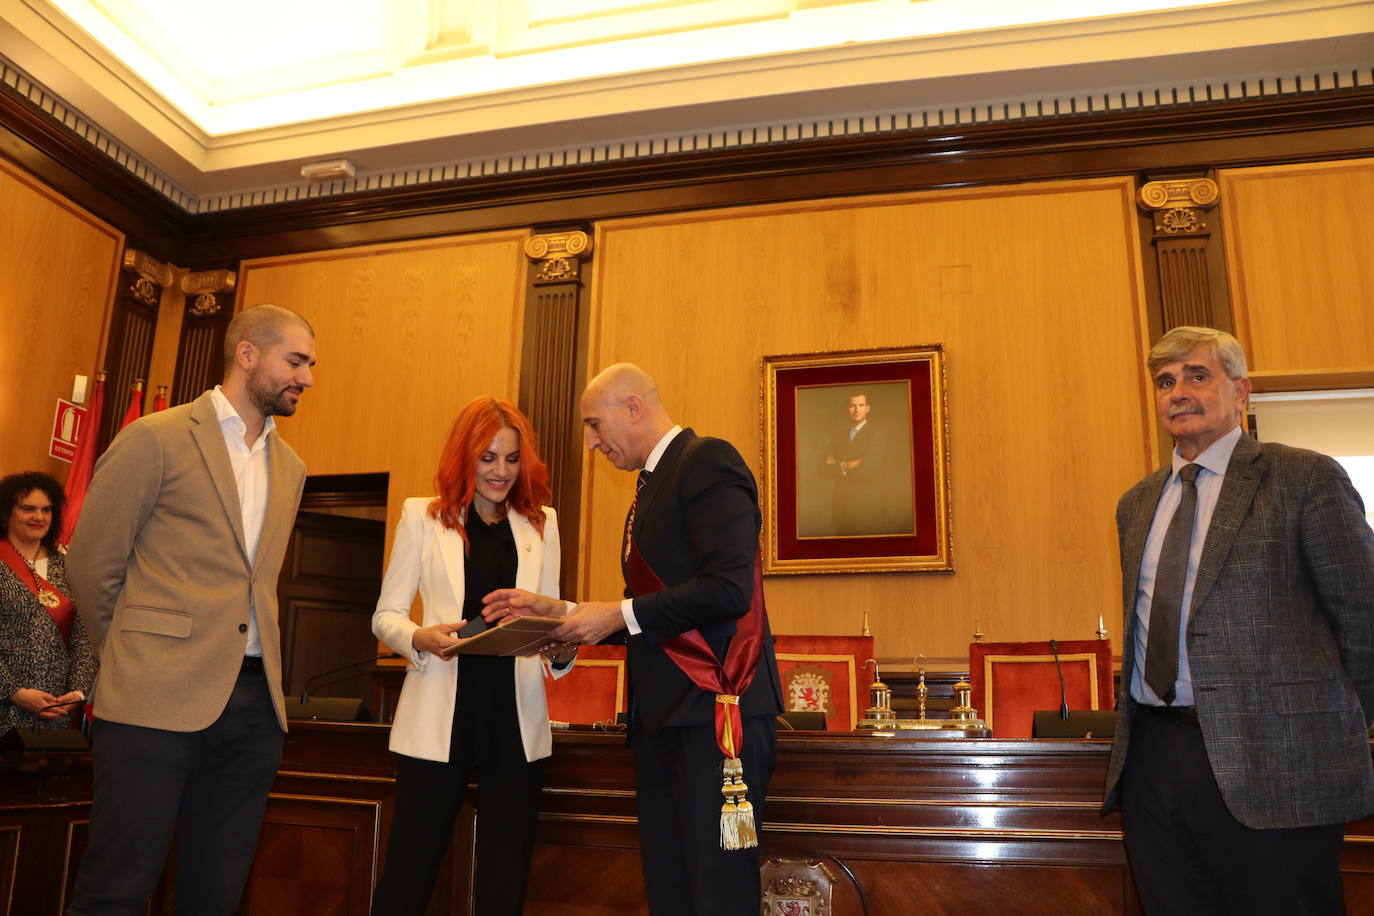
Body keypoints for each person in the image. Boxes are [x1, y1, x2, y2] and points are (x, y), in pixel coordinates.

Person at [485, 363, 784, 916]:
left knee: (715, 894)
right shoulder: (651, 486)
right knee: (671, 891)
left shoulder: (706, 462)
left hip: (714, 715)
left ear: (634, 408)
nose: (592, 442)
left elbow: (727, 590)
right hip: (665, 717)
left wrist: (614, 615)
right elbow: (656, 618)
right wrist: (566, 616)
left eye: (595, 425)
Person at [1102, 326, 1374, 914]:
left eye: (1198, 376)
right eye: (1165, 382)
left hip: (1279, 761)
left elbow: (1364, 614)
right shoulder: (1136, 503)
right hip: (1154, 760)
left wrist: (1347, 728)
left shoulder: (1304, 478)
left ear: (1241, 390)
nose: (1179, 392)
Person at [65, 303, 317, 916]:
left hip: (255, 706)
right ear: (247, 354)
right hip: (152, 697)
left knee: (217, 892)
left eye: (310, 365)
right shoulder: (157, 436)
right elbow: (91, 564)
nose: (307, 378)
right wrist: (135, 654)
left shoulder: (292, 467)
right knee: (119, 885)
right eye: (296, 360)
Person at [370, 397, 575, 916]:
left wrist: (561, 646)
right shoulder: (422, 516)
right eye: (488, 458)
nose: (501, 472)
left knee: (505, 879)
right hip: (439, 714)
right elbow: (386, 615)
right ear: (465, 457)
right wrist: (420, 638)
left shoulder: (542, 524)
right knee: (409, 871)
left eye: (511, 459)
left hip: (515, 719)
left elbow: (551, 619)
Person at [0, 471, 96, 736]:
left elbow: (84, 638)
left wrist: (76, 692)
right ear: (7, 513)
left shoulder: (68, 567)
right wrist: (12, 691)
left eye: (46, 510)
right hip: (3, 705)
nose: (38, 517)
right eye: (28, 508)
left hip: (56, 711)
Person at [821, 391, 886, 535]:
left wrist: (837, 465)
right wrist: (848, 465)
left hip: (866, 511)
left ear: (867, 408)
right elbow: (822, 469)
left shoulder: (876, 434)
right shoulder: (839, 435)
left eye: (861, 405)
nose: (857, 410)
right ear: (847, 409)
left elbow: (869, 470)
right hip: (842, 511)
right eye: (852, 405)